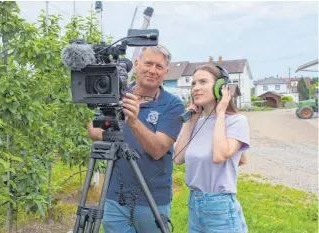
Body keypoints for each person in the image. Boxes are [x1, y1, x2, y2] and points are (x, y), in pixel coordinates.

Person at [87, 45, 185, 233]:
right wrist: (105, 113)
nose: (152, 70)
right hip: (115, 197)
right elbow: (93, 131)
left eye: (159, 66)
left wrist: (132, 121)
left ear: (166, 72)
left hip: (152, 200)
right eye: (148, 63)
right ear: (137, 64)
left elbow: (158, 149)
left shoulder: (173, 106)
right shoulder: (115, 94)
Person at [174, 64, 250, 233]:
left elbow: (219, 155)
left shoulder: (237, 121)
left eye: (203, 82)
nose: (196, 88)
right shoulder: (197, 123)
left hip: (220, 207)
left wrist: (221, 112)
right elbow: (178, 158)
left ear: (220, 88)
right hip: (194, 204)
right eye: (193, 84)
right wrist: (191, 121)